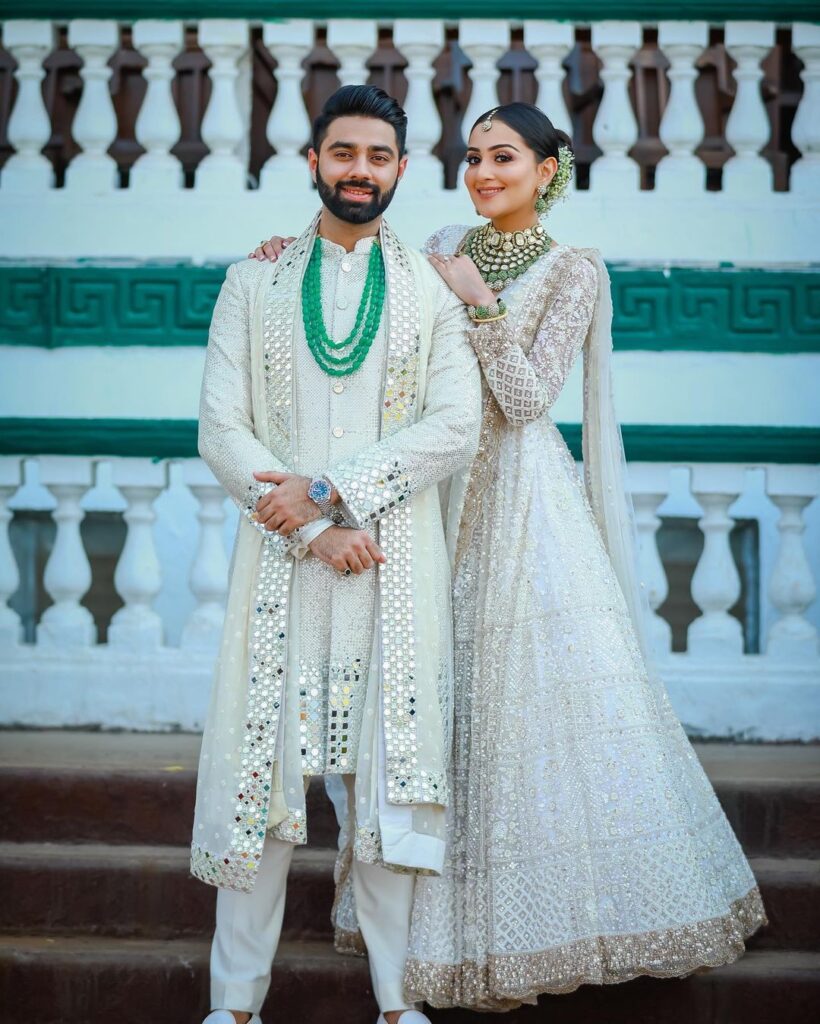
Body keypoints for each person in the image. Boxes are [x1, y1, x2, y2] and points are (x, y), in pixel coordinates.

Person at [252, 101, 766, 1013]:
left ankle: (537, 922)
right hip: (434, 491)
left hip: (523, 504)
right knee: (426, 697)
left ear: (548, 170)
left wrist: (483, 307)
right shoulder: (445, 236)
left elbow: (529, 402)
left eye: (505, 158)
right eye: (474, 157)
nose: (485, 173)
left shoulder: (575, 270)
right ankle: (421, 931)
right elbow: (363, 267)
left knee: (520, 707)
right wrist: (283, 258)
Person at [192, 84, 481, 1024]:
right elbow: (220, 430)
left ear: (402, 169)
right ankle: (234, 1006)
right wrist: (317, 528)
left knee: (392, 787)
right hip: (285, 568)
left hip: (393, 569)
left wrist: (329, 489)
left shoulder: (430, 287)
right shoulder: (255, 282)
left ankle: (399, 1005)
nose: (361, 171)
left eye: (380, 157)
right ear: (312, 162)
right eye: (344, 153)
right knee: (259, 787)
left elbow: (455, 428)